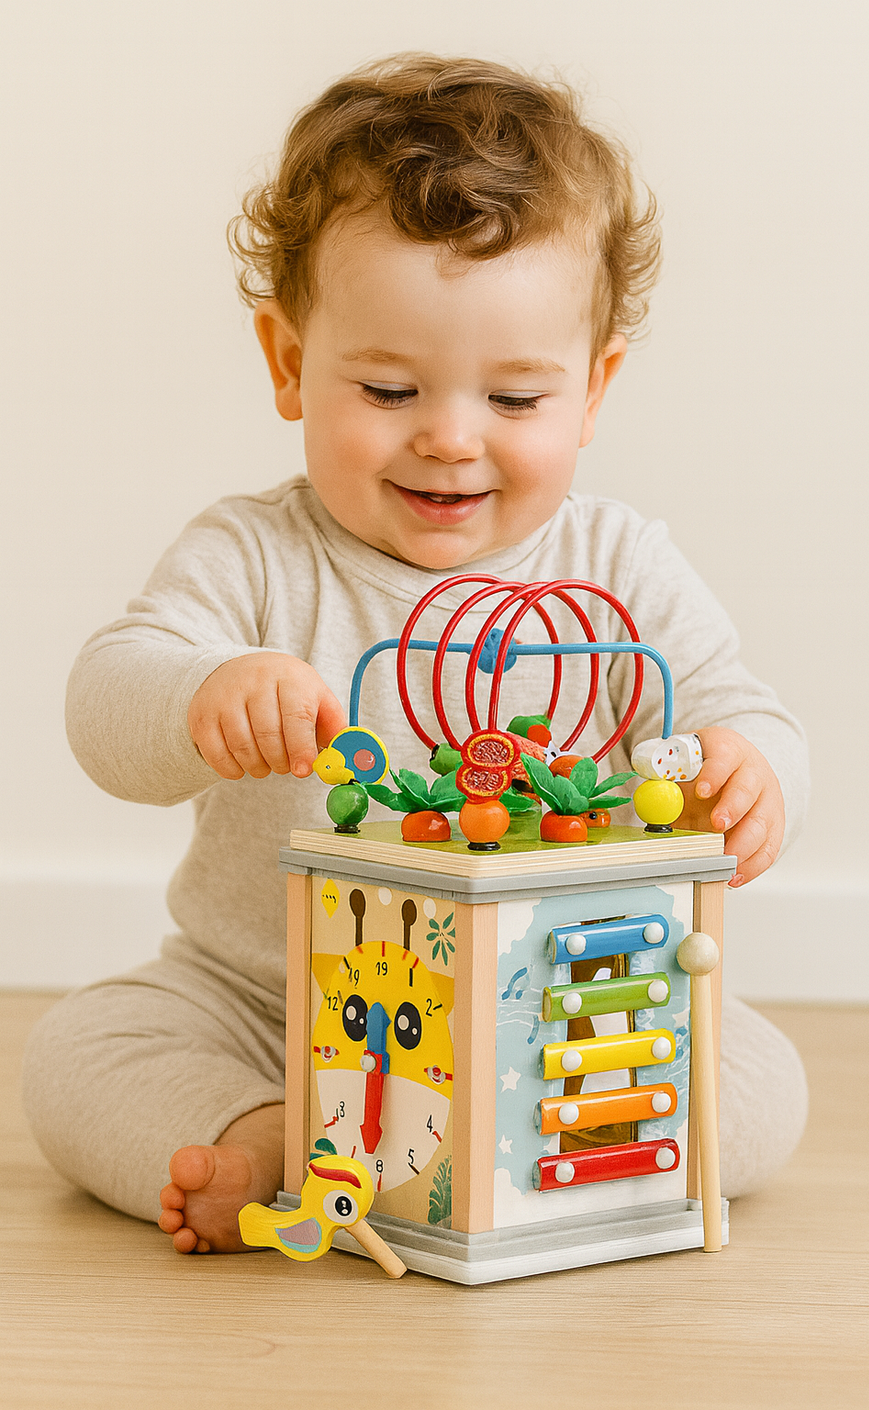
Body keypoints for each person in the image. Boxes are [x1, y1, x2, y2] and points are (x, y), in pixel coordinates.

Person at [23, 54, 809, 1255]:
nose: (449, 438)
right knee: (77, 1054)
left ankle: (473, 1145)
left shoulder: (617, 563)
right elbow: (102, 704)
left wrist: (746, 769)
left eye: (514, 400)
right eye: (389, 387)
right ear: (288, 362)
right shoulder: (256, 556)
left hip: (555, 1008)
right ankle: (288, 1136)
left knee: (757, 1082)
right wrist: (199, 693)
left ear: (592, 391)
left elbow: (739, 707)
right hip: (264, 999)